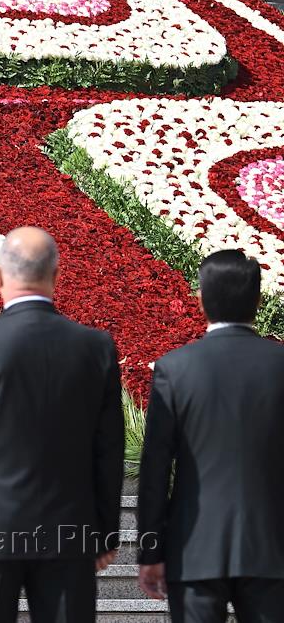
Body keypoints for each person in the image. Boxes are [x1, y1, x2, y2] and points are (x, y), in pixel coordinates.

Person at [0, 227, 124, 622]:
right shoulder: (95, 348)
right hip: (69, 533)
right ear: (56, 276)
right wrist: (105, 533)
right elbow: (109, 449)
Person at [137, 249, 284, 621]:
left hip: (194, 548)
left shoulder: (175, 369)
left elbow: (155, 469)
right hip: (273, 549)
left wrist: (150, 550)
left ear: (200, 299)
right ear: (258, 300)